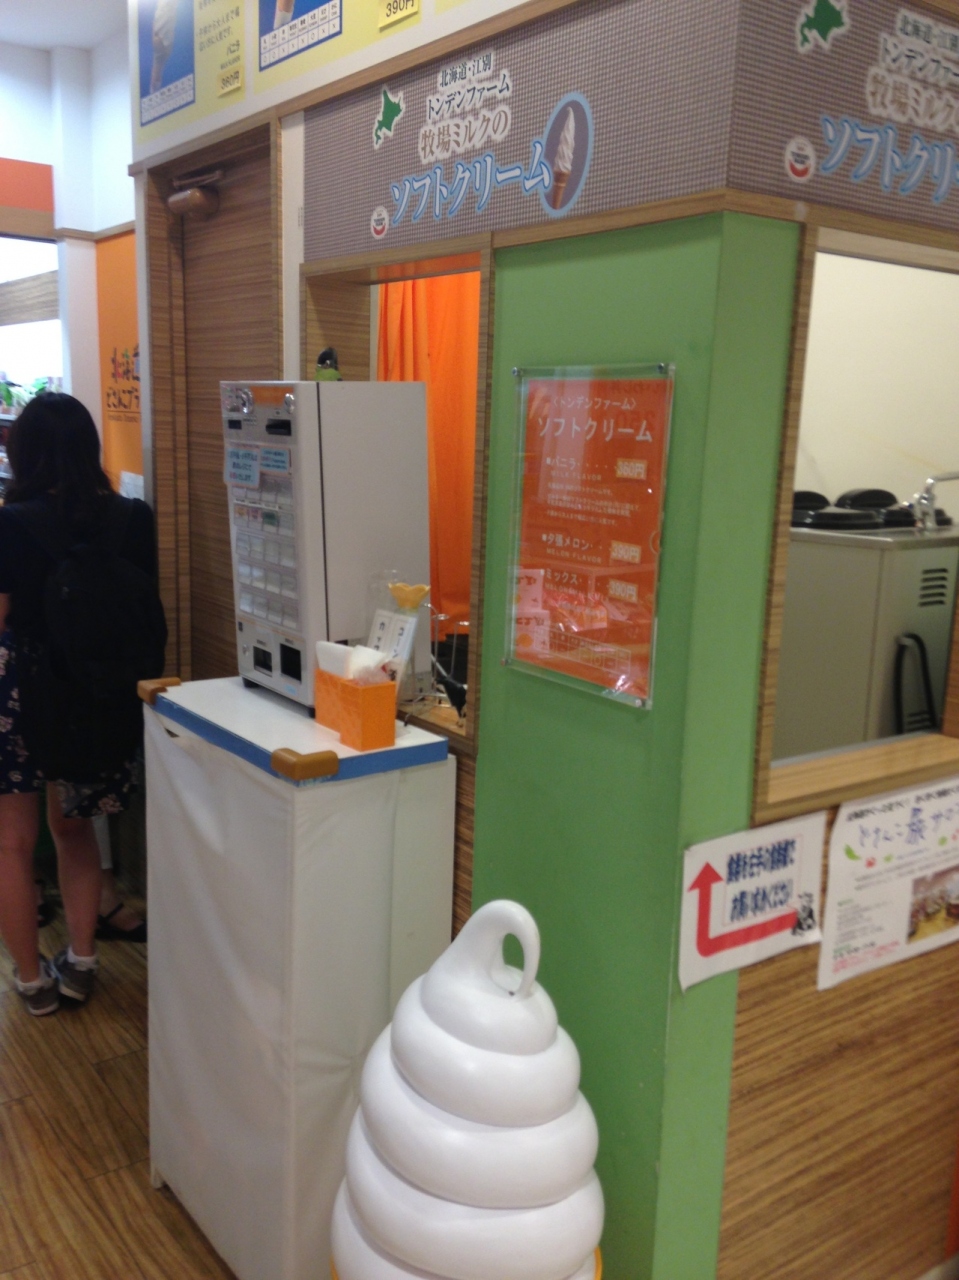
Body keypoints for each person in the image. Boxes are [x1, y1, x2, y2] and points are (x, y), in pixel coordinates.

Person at [0, 393, 162, 1015]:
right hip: (97, 692)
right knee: (74, 828)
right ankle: (83, 963)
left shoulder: (11, 523)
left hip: (21, 690)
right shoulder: (133, 517)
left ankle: (31, 982)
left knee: (13, 843)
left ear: (24, 453)